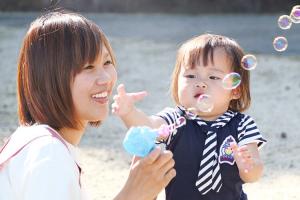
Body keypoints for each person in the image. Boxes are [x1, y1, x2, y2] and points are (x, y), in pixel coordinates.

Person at [0, 11, 176, 200]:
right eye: (88, 67)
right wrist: (132, 194)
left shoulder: (34, 141)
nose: (106, 78)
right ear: (49, 78)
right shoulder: (48, 152)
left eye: (107, 62)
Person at [112, 33, 267, 200]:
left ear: (235, 90)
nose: (200, 82)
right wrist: (129, 112)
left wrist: (248, 166)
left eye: (213, 77)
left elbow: (254, 173)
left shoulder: (243, 124)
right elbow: (148, 127)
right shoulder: (175, 119)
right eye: (191, 76)